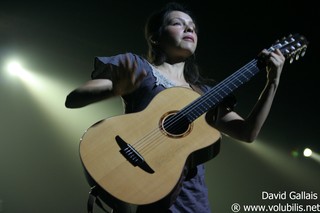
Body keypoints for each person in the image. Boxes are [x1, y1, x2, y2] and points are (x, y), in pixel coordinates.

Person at [65, 2, 285, 213]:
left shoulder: (205, 94)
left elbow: (247, 132)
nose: (189, 28)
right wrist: (114, 89)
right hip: (145, 191)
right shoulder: (139, 67)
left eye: (193, 27)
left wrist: (273, 82)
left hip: (192, 203)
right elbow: (74, 99)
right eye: (178, 23)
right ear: (155, 37)